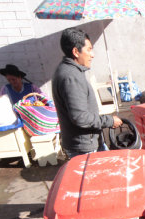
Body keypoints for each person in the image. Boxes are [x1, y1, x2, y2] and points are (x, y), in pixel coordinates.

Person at [52, 27, 122, 159]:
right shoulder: (70, 77)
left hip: (88, 142)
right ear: (76, 52)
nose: (92, 54)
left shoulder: (71, 71)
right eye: (89, 49)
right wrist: (108, 120)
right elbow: (80, 117)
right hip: (83, 147)